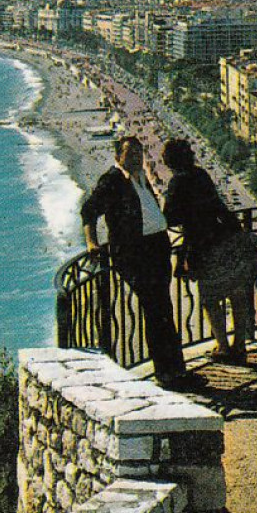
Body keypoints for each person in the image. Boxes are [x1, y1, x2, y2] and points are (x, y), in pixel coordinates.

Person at [81, 135, 190, 387]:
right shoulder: (112, 180)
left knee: (163, 309)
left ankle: (176, 370)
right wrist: (91, 242)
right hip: (135, 254)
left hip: (157, 248)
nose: (136, 157)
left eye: (139, 152)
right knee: (155, 311)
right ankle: (166, 373)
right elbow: (89, 211)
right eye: (130, 153)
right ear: (118, 156)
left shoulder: (140, 177)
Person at [161, 138, 255, 364]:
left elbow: (169, 217)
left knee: (211, 298)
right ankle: (239, 344)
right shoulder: (201, 174)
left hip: (201, 245)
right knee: (236, 292)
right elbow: (218, 205)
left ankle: (222, 346)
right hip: (223, 237)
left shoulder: (177, 182)